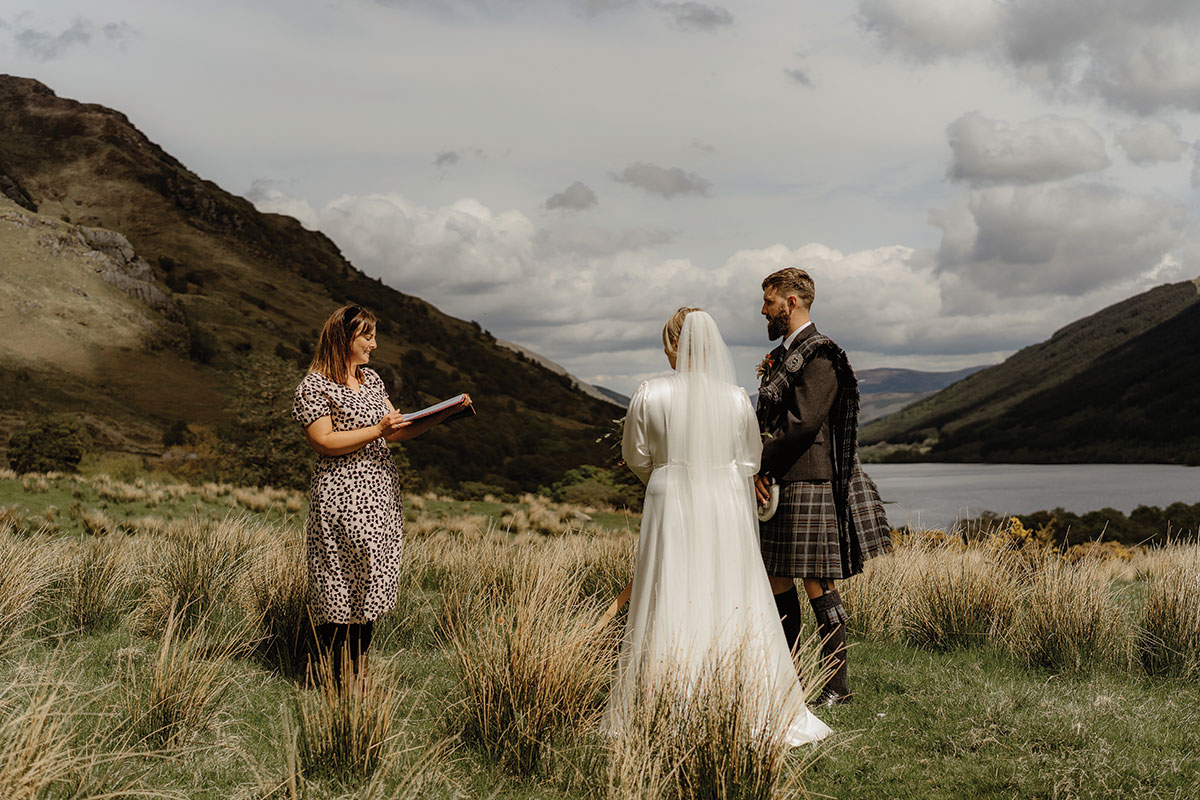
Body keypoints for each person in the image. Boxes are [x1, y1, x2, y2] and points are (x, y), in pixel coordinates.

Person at [604, 307, 830, 747]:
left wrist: (668, 475)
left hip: (669, 496)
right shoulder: (733, 398)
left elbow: (636, 455)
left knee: (668, 585)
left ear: (674, 345)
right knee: (731, 586)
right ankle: (746, 696)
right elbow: (749, 459)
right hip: (726, 499)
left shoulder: (649, 394)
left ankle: (664, 701)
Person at [292, 304, 471, 680]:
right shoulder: (315, 385)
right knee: (339, 583)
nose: (374, 344)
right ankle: (327, 671)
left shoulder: (372, 380)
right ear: (344, 339)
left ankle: (356, 670)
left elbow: (399, 428)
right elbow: (323, 441)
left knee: (372, 581)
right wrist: (378, 430)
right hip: (341, 496)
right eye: (367, 336)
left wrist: (443, 414)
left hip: (380, 496)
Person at [754, 267, 892, 707]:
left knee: (818, 581)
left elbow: (802, 424)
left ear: (790, 302)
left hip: (810, 478)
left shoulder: (820, 354)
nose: (764, 309)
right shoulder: (786, 354)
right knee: (776, 576)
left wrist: (760, 464)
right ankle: (790, 679)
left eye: (769, 301)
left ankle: (837, 686)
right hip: (784, 479)